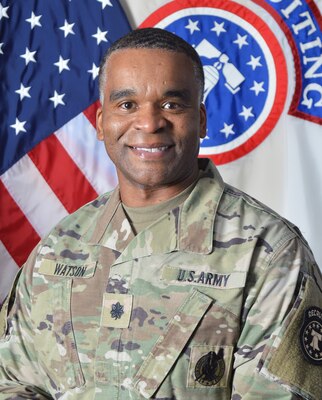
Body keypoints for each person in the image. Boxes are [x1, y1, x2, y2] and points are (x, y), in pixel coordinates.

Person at [0, 27, 321, 400]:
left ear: (201, 119)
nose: (150, 123)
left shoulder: (269, 254)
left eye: (172, 104)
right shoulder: (58, 247)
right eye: (127, 105)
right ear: (102, 123)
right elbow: (10, 381)